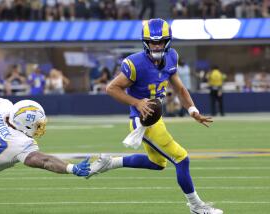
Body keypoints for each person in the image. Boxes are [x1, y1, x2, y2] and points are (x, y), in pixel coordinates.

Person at [87, 19, 223, 214]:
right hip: (142, 120)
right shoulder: (135, 63)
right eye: (152, 42)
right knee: (181, 158)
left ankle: (111, 162)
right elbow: (111, 88)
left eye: (160, 42)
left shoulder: (171, 57)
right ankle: (196, 206)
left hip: (155, 118)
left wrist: (193, 111)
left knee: (157, 164)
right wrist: (137, 102)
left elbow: (179, 87)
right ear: (146, 42)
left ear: (167, 42)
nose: (157, 45)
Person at [0, 97, 90, 185]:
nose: (39, 128)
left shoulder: (2, 109)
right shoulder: (18, 143)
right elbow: (45, 161)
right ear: (25, 124)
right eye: (37, 125)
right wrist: (71, 168)